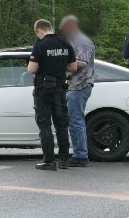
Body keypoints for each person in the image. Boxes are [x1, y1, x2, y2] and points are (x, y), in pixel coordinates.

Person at [27, 19, 79, 171]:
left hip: (43, 90)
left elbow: (31, 69)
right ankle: (64, 160)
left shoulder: (40, 45)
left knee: (45, 126)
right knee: (61, 125)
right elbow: (73, 67)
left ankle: (49, 161)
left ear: (40, 31)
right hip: (60, 88)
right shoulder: (65, 43)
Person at [60, 15, 95, 168]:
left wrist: (58, 64)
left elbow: (81, 63)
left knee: (76, 121)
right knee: (74, 121)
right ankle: (77, 153)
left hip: (80, 85)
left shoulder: (83, 41)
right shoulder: (75, 41)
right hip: (74, 85)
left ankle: (80, 155)